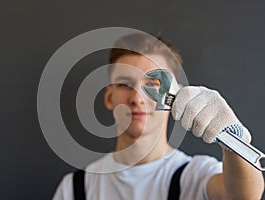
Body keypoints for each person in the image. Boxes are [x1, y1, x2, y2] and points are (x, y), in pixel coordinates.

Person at [52, 33, 264, 200]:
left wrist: (233, 140)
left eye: (152, 85)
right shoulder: (74, 188)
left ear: (177, 95)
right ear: (109, 97)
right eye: (125, 84)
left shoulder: (195, 174)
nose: (137, 98)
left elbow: (243, 196)